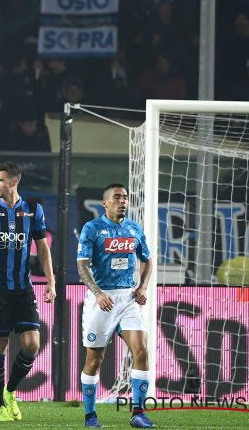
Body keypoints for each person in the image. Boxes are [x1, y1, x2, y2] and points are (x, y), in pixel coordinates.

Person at [0, 161, 56, 422]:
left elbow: (42, 249)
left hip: (23, 289)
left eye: (1, 180)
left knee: (32, 344)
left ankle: (10, 391)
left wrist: (51, 281)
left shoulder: (32, 210)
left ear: (15, 181)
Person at [76, 184, 154, 429]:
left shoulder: (133, 228)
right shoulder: (93, 228)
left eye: (125, 198)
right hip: (102, 300)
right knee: (94, 360)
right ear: (105, 202)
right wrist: (97, 293)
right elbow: (82, 264)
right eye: (117, 197)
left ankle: (138, 413)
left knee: (141, 351)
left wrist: (142, 288)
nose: (122, 201)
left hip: (127, 299)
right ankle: (90, 416)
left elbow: (147, 259)